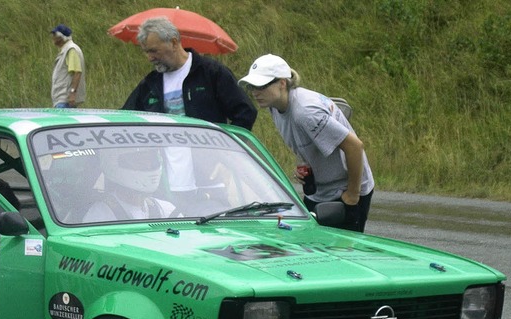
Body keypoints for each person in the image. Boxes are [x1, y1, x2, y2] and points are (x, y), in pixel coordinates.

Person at [239, 54, 375, 232]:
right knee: (310, 247)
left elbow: (355, 147)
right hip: (321, 191)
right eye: (251, 86)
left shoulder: (305, 112)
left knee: (340, 252)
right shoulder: (274, 106)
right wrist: (307, 167)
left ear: (282, 83)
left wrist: (352, 195)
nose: (255, 92)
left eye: (261, 86)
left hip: (345, 190)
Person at [122, 17, 257, 130]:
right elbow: (125, 119)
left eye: (154, 51)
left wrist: (226, 154)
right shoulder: (150, 83)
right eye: (146, 52)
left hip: (207, 159)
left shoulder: (211, 72)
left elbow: (245, 113)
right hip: (164, 161)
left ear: (174, 43)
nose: (149, 58)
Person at [83, 148, 174, 222]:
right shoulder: (100, 215)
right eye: (140, 161)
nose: (148, 165)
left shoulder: (166, 209)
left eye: (151, 160)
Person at [50, 24, 86, 108]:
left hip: (65, 99)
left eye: (54, 35)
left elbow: (77, 72)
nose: (53, 37)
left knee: (63, 121)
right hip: (62, 99)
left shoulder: (71, 49)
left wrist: (72, 93)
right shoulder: (67, 49)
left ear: (60, 37)